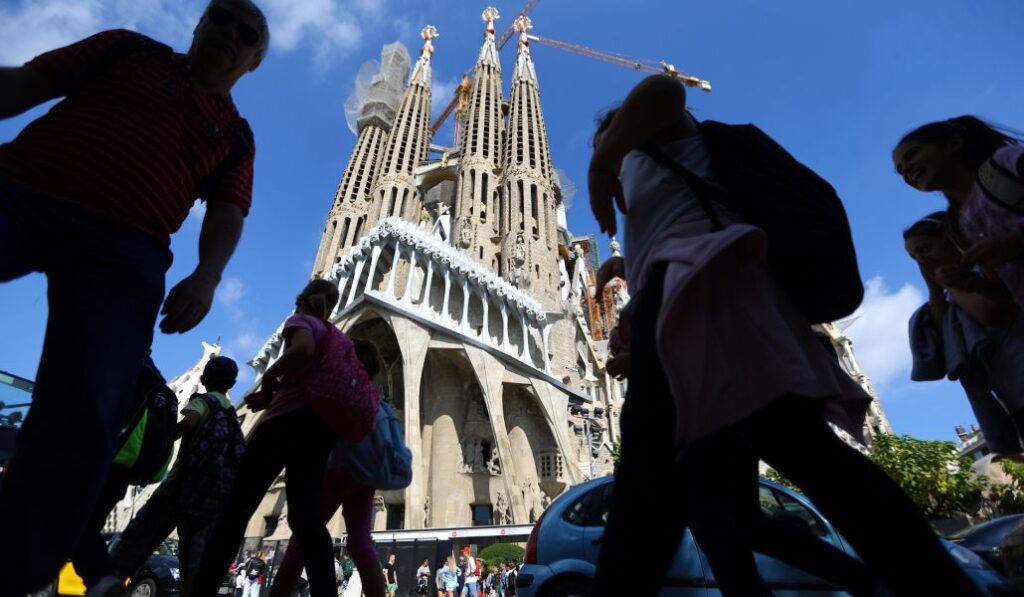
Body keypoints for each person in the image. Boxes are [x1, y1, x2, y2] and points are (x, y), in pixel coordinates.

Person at [588, 74, 982, 596]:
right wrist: (625, 264)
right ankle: (907, 583)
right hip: (697, 301)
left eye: (604, 137)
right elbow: (673, 229)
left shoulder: (659, 136)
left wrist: (605, 156)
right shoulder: (649, 175)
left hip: (710, 293)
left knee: (657, 482)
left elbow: (665, 89)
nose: (602, 152)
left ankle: (926, 585)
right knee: (752, 484)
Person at [0, 1, 267, 592]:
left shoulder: (237, 136)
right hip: (24, 189)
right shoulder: (129, 50)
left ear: (254, 60)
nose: (228, 32)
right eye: (219, 17)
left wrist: (207, 276)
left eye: (246, 32)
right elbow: (28, 81)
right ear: (198, 26)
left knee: (86, 403)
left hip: (124, 245)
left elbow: (227, 212)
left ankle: (19, 571)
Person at [193, 280, 354, 597]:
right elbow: (312, 378)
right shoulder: (337, 338)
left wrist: (269, 377)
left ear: (302, 301)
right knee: (306, 517)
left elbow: (302, 349)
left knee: (236, 507)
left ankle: (202, 589)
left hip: (283, 424)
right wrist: (272, 393)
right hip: (319, 429)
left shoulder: (302, 321)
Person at [92, 356, 243, 596]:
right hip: (207, 499)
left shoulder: (202, 402)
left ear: (203, 379)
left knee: (139, 537)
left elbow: (190, 422)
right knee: (192, 560)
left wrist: (166, 436)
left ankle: (109, 582)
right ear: (232, 383)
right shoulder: (231, 414)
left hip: (178, 488)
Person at [266, 338, 387, 597]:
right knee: (361, 543)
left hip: (339, 468)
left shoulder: (344, 382)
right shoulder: (373, 394)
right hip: (366, 473)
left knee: (302, 538)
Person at [904, 211, 1024, 454]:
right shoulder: (951, 296)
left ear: (951, 239)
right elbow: (945, 346)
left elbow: (991, 314)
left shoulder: (985, 272)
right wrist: (936, 292)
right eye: (913, 256)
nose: (921, 261)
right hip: (1013, 395)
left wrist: (948, 283)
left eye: (925, 249)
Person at [893, 116, 1024, 307]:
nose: (906, 170)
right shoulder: (956, 225)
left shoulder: (1004, 165)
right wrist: (971, 283)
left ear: (953, 144)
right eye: (900, 170)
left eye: (911, 154)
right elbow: (1006, 296)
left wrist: (1017, 240)